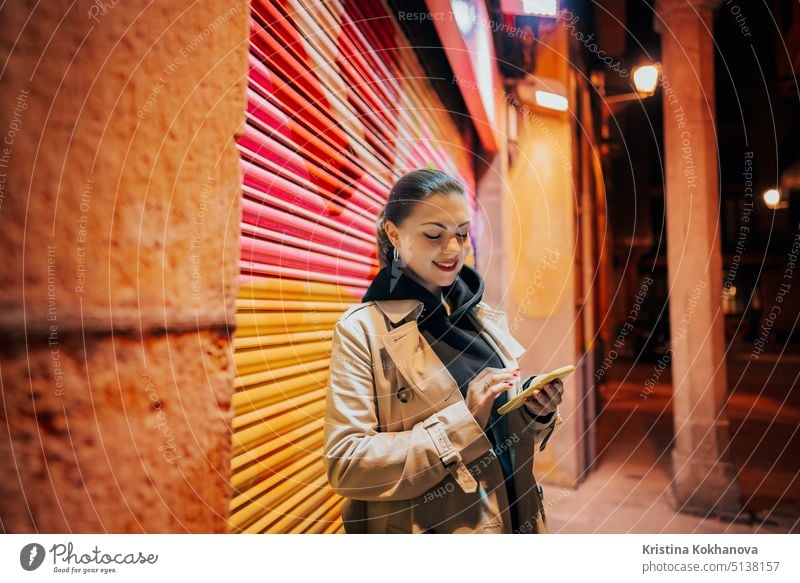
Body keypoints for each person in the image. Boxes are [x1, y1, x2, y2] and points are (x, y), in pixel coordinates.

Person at [323, 169, 563, 534]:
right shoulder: (362, 331)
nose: (453, 250)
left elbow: (500, 439)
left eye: (462, 234)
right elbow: (347, 464)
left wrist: (534, 412)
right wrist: (461, 422)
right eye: (433, 235)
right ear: (394, 233)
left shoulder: (480, 317)